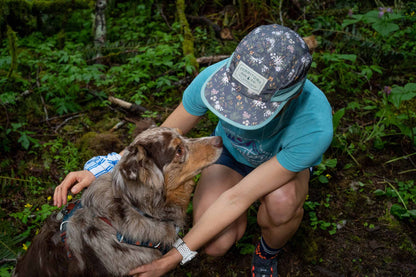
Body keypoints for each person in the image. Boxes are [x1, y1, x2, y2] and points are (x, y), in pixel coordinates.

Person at [54, 24, 333, 277]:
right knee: (214, 244)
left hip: (279, 167)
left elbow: (238, 197)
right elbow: (160, 139)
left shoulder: (314, 126)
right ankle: (240, 224)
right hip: (230, 155)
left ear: (294, 93)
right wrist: (102, 169)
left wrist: (174, 257)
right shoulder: (215, 77)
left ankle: (267, 252)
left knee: (282, 203)